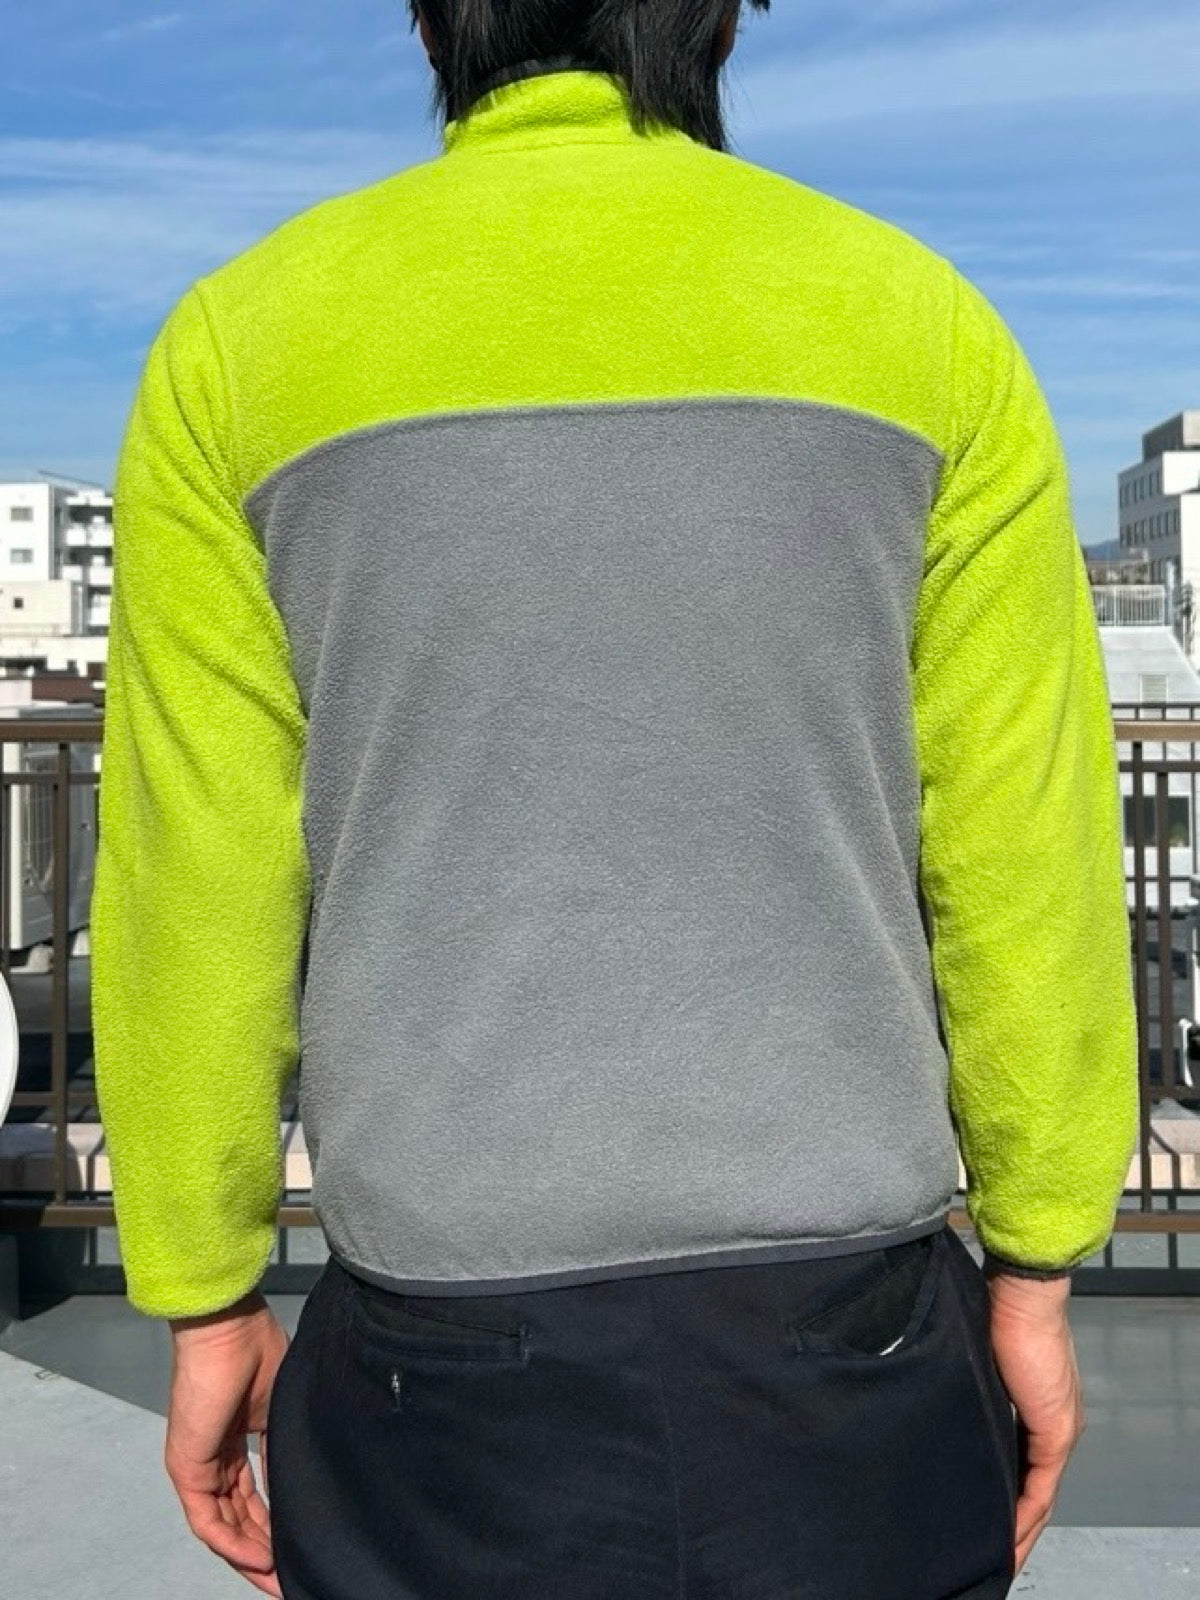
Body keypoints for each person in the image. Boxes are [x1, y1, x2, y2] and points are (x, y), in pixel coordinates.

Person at [90, 2, 1140, 1596]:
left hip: (438, 1350)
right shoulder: (918, 321)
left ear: (431, 18)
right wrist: (1041, 1261)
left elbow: (197, 872)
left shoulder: (243, 342)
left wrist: (204, 1290)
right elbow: (1022, 842)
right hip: (848, 1338)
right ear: (719, 15)